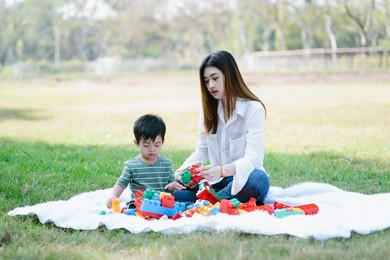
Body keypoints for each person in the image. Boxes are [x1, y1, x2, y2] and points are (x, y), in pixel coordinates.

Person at [172, 50, 270, 204]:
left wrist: (222, 170)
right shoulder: (208, 110)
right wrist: (181, 174)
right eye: (206, 81)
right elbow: (203, 149)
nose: (211, 85)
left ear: (229, 75)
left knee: (258, 179)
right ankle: (216, 202)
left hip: (243, 180)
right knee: (174, 194)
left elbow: (254, 158)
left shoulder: (253, 109)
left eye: (215, 78)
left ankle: (207, 203)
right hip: (215, 184)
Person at [106, 114, 185, 209]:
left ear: (162, 142)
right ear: (137, 143)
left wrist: (172, 186)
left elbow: (171, 186)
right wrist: (113, 196)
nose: (152, 149)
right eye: (146, 145)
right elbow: (121, 183)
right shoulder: (132, 165)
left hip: (161, 203)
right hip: (139, 203)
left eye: (157, 145)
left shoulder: (166, 164)